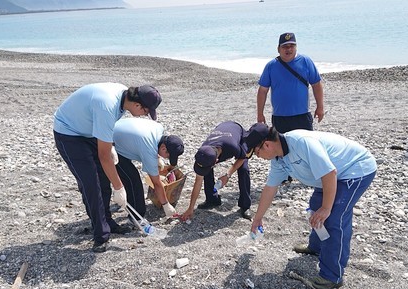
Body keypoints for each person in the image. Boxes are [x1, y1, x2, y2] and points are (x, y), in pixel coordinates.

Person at [248, 126, 377, 289]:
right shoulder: (278, 159)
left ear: (266, 145)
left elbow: (330, 173)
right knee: (316, 204)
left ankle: (332, 277)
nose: (259, 157)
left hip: (355, 169)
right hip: (329, 175)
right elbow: (270, 188)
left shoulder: (302, 142)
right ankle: (317, 247)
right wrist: (258, 218)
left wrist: (327, 208)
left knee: (334, 217)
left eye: (257, 153)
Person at [53, 83, 162, 252]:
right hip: (69, 133)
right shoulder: (108, 106)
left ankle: (108, 222)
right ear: (137, 105)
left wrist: (109, 145)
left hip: (88, 131)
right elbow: (104, 157)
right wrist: (119, 188)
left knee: (104, 179)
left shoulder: (123, 98)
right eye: (146, 112)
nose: (144, 116)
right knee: (91, 183)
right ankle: (101, 235)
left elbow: (105, 130)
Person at [257, 32, 324, 184]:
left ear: (296, 47)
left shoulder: (306, 61)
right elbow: (262, 90)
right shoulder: (271, 66)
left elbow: (316, 84)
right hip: (280, 116)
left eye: (291, 46)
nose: (288, 49)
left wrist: (320, 107)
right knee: (280, 148)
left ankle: (312, 175)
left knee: (308, 147)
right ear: (278, 49)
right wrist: (260, 113)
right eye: (285, 46)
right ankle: (284, 176)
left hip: (302, 115)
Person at [180, 122, 268, 222]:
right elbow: (198, 181)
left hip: (236, 131)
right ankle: (212, 200)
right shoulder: (204, 151)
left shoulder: (233, 146)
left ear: (216, 161)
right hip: (223, 130)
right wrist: (190, 208)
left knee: (243, 169)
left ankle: (245, 205)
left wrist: (228, 175)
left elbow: (242, 158)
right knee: (206, 169)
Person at [112, 117, 184, 224]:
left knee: (129, 175)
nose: (166, 158)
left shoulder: (159, 128)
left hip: (117, 129)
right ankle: (136, 217)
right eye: (167, 156)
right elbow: (156, 183)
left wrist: (158, 157)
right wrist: (165, 204)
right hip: (108, 142)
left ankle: (127, 200)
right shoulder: (149, 150)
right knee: (133, 179)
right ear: (163, 148)